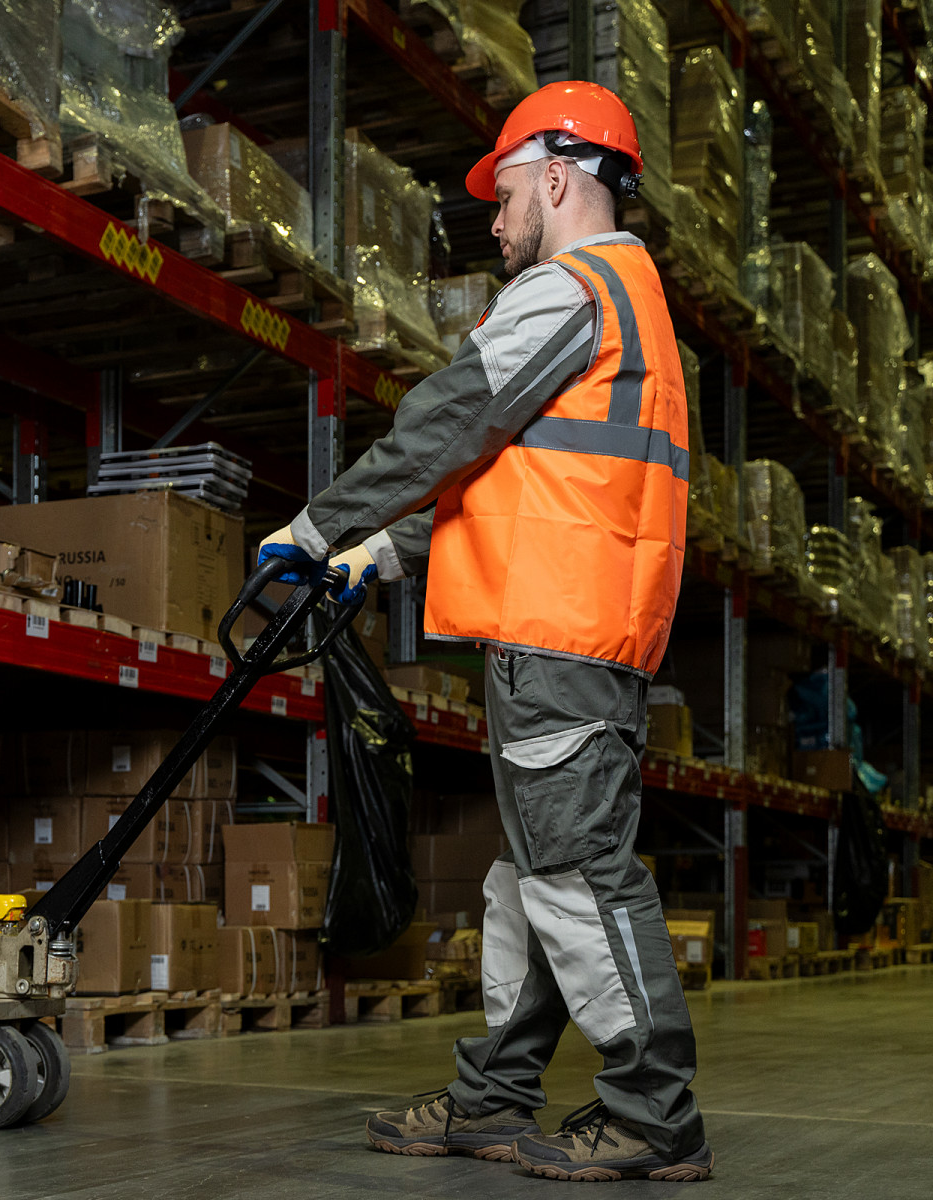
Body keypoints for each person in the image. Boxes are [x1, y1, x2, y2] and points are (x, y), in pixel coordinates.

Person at [257, 82, 712, 1183]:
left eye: (504, 195)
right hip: (562, 633)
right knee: (534, 883)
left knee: (579, 878)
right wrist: (381, 553)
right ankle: (493, 1098)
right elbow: (520, 477)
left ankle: (655, 1113)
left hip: (561, 639)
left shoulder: (575, 288)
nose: (495, 222)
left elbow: (454, 415)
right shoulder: (627, 305)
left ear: (556, 178)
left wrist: (320, 527)